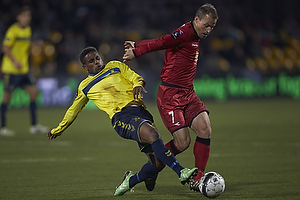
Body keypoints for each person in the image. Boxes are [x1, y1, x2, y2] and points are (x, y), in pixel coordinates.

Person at [47, 46, 198, 196]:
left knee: (157, 164)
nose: (97, 62)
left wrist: (138, 85)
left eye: (97, 58)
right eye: (91, 61)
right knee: (153, 135)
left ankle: (130, 180)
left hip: (140, 112)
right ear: (85, 67)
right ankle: (181, 172)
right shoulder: (84, 87)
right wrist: (57, 130)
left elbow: (135, 77)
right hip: (121, 118)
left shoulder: (115, 66)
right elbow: (73, 110)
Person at [122, 3, 218, 192]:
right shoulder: (186, 33)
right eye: (206, 25)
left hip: (188, 93)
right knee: (182, 142)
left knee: (205, 128)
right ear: (197, 19)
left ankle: (198, 178)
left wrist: (138, 44)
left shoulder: (194, 35)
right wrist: (137, 51)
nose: (208, 30)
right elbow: (163, 41)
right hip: (170, 95)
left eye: (212, 27)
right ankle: (151, 168)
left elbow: (164, 40)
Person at [0, 6, 48, 136]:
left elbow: (25, 47)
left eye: (28, 16)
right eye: (24, 16)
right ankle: (2, 127)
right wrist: (15, 61)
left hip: (24, 69)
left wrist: (35, 45)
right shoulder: (13, 30)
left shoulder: (27, 30)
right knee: (7, 97)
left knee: (34, 92)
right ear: (18, 17)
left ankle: (34, 125)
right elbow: (5, 48)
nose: (27, 18)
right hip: (11, 69)